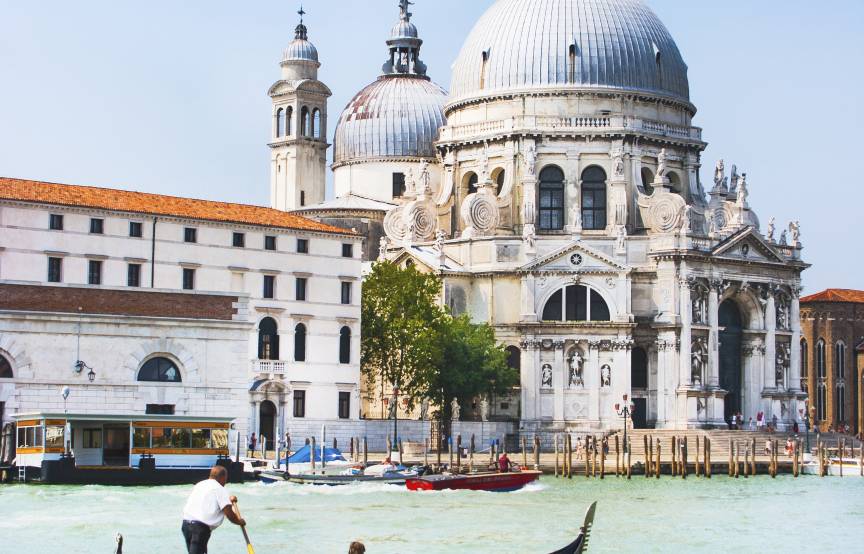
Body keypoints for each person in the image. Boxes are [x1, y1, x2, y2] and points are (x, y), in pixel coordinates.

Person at [181, 465, 246, 554]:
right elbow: (229, 513)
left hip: (186, 524)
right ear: (223, 477)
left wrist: (228, 500)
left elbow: (207, 502)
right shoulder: (219, 489)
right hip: (199, 528)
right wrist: (239, 521)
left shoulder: (200, 484)